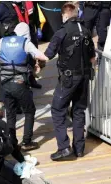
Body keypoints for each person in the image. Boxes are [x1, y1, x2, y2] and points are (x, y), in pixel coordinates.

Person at [0, 22, 49, 152]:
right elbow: (42, 56)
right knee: (29, 110)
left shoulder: (3, 41)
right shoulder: (25, 42)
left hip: (5, 83)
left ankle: (11, 142)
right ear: (26, 33)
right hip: (20, 83)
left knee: (10, 113)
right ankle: (26, 142)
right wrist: (40, 62)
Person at [44, 3, 96, 161]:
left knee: (57, 110)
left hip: (68, 79)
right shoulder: (86, 31)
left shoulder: (62, 32)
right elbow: (92, 58)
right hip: (84, 77)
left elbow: (48, 55)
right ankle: (79, 149)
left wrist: (35, 64)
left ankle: (64, 147)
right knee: (79, 111)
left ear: (65, 15)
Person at [0, 0, 43, 90]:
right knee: (19, 62)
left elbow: (34, 14)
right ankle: (22, 84)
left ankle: (31, 79)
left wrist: (38, 26)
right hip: (14, 38)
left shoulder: (25, 3)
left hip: (28, 32)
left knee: (30, 59)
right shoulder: (2, 6)